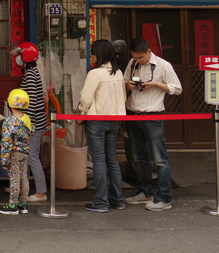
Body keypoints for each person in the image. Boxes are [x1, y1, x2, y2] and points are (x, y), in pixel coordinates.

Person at [123, 37, 183, 211]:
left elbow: (177, 89)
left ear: (149, 51)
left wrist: (156, 84)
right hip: (133, 114)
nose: (138, 61)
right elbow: (124, 84)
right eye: (135, 58)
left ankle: (164, 197)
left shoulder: (164, 66)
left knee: (159, 159)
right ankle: (144, 192)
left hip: (153, 116)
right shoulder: (133, 63)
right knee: (139, 157)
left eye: (141, 57)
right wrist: (130, 86)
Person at [78, 39, 127, 212]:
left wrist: (81, 113)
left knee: (98, 160)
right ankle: (118, 200)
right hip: (115, 120)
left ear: (98, 54)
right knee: (112, 159)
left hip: (97, 120)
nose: (91, 55)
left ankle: (100, 202)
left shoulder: (95, 73)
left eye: (93, 52)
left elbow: (86, 99)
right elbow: (123, 97)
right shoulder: (118, 73)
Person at [9, 42, 48, 203]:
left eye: (18, 55)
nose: (16, 58)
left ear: (25, 56)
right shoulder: (31, 72)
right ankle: (20, 186)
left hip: (34, 124)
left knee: (32, 157)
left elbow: (30, 103)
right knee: (26, 156)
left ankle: (41, 192)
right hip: (33, 123)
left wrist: (25, 124)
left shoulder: (31, 75)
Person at [0, 89, 33, 215]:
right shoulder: (27, 119)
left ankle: (12, 205)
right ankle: (23, 205)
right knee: (24, 178)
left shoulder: (9, 122)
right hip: (25, 153)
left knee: (14, 179)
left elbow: (6, 142)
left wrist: (4, 159)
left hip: (14, 153)